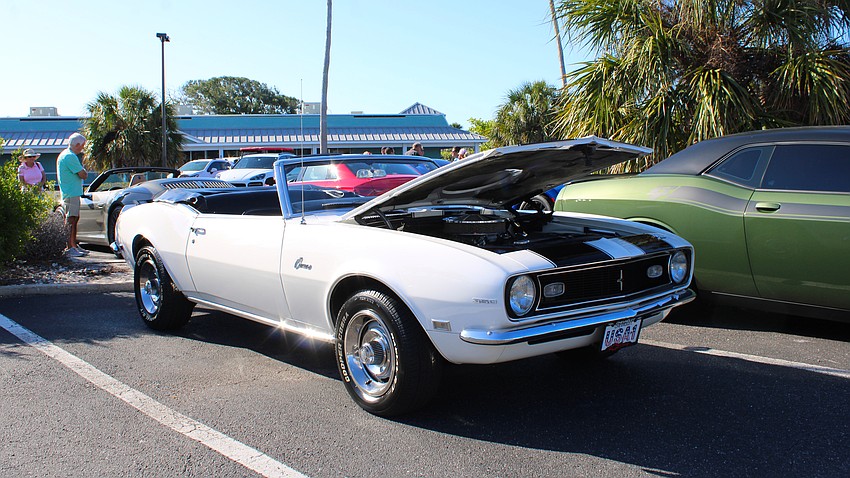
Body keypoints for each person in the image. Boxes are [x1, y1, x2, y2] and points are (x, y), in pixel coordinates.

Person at [56, 133, 89, 257]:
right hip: (71, 192)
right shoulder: (70, 156)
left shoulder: (65, 155)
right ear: (77, 144)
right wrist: (83, 172)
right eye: (82, 145)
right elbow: (82, 174)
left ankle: (73, 244)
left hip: (72, 191)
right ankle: (69, 247)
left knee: (75, 218)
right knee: (71, 219)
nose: (82, 148)